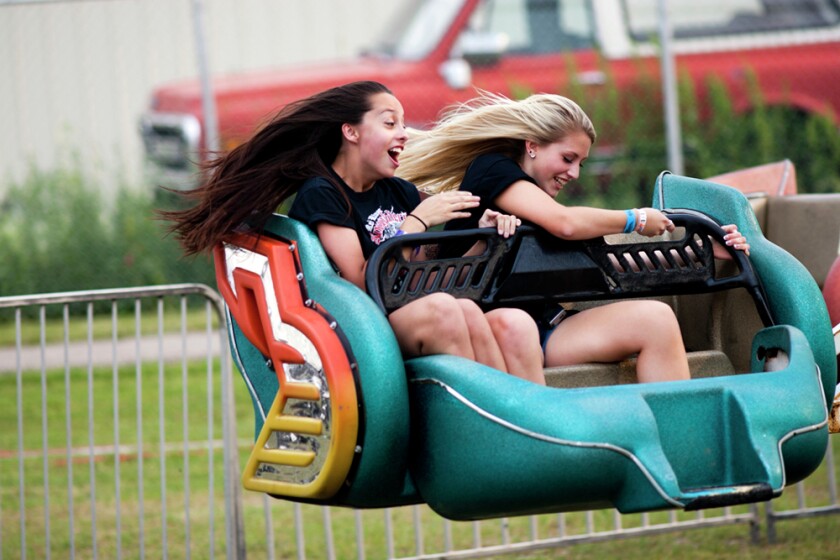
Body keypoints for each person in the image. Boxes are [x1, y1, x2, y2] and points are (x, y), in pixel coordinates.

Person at [161, 81, 545, 384]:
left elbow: (425, 268)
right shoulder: (322, 194)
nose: (404, 134)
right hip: (363, 326)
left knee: (511, 322)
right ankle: (496, 420)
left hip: (410, 307)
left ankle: (527, 420)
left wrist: (481, 235)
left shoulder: (399, 191)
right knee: (446, 310)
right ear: (351, 132)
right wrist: (418, 222)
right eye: (389, 122)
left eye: (403, 124)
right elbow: (364, 282)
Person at [398, 92, 751, 383]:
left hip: (547, 326)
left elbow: (616, 264)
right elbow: (565, 223)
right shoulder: (492, 170)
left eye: (580, 162)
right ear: (532, 145)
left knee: (656, 320)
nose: (574, 172)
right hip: (495, 328)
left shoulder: (539, 201)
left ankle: (677, 449)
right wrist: (636, 218)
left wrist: (706, 251)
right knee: (518, 329)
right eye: (568, 158)